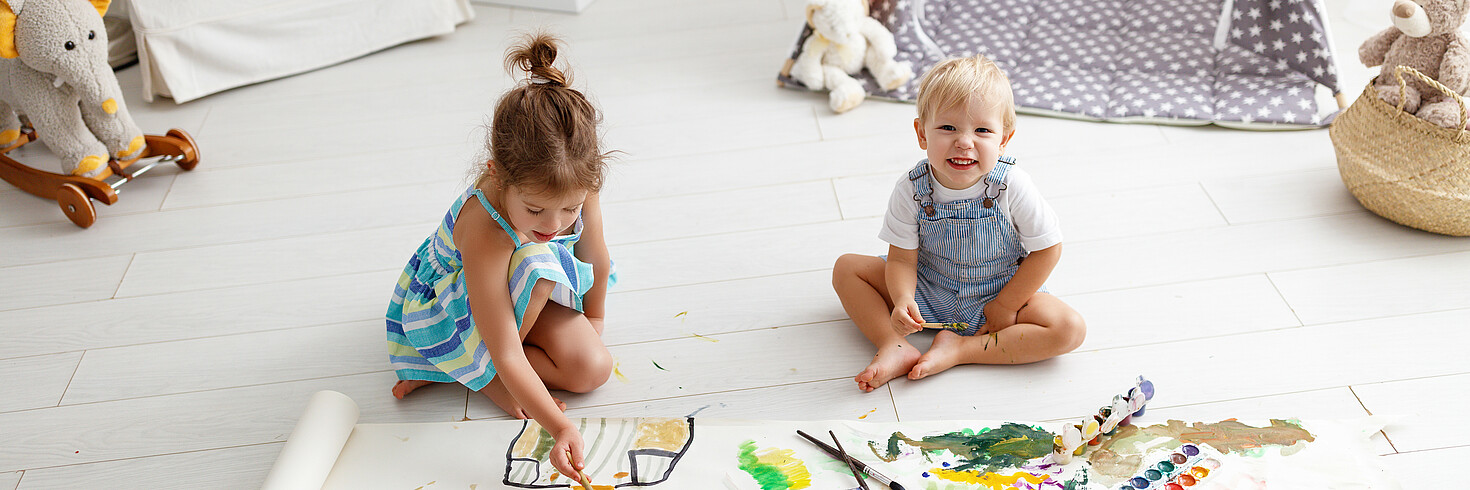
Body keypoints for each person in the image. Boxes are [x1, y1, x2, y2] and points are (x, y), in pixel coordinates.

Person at [385, 32, 614, 480]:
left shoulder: (573, 179)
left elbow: (596, 257)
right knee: (540, 264)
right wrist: (559, 425)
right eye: (535, 210)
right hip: (453, 302)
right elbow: (508, 351)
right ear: (498, 174)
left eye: (571, 208)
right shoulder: (485, 226)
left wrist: (597, 321)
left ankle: (456, 367)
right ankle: (474, 375)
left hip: (521, 294)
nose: (556, 224)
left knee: (593, 368)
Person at [831, 54, 1086, 393]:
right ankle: (893, 345)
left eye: (982, 130)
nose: (964, 141)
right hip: (930, 287)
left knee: (1069, 328)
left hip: (1002, 290)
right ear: (922, 133)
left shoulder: (1012, 184)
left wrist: (1007, 304)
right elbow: (902, 258)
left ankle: (962, 350)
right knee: (847, 269)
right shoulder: (912, 189)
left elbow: (1048, 249)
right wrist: (903, 297)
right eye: (948, 128)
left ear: (1004, 139)